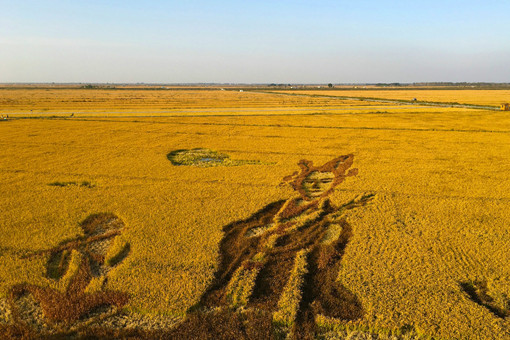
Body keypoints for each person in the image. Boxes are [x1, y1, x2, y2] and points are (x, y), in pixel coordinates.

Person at [173, 154, 374, 338]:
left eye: (325, 181)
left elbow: (327, 247)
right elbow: (247, 231)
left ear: (333, 185)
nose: (316, 186)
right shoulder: (279, 207)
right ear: (299, 182)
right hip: (251, 266)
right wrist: (271, 229)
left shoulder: (331, 214)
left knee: (271, 317)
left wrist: (328, 227)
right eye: (310, 181)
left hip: (288, 274)